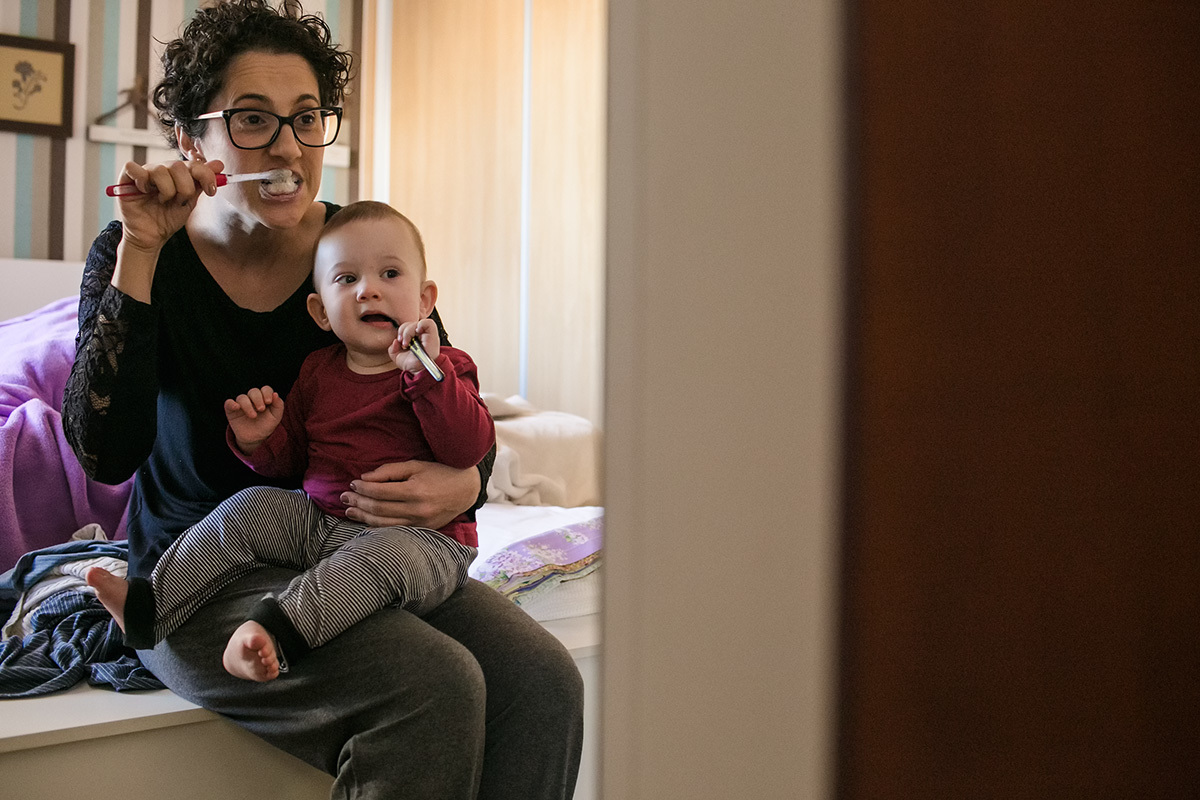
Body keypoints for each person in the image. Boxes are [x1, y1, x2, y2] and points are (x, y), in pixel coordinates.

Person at [62, 1, 583, 797]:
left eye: (307, 118)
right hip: (198, 575)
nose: (287, 146)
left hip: (361, 551)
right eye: (252, 119)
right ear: (191, 141)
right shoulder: (140, 249)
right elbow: (104, 452)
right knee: (433, 686)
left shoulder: (359, 251)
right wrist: (142, 246)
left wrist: (467, 483)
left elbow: (450, 403)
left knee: (544, 683)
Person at [88, 201, 494, 683]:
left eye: (390, 274)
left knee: (375, 562)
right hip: (318, 522)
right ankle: (149, 605)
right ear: (320, 312)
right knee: (251, 507)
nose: (368, 290)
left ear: (425, 301)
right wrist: (260, 442)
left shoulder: (445, 368)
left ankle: (276, 632)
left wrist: (430, 379)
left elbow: (470, 447)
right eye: (347, 280)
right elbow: (295, 460)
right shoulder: (318, 371)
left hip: (418, 541)